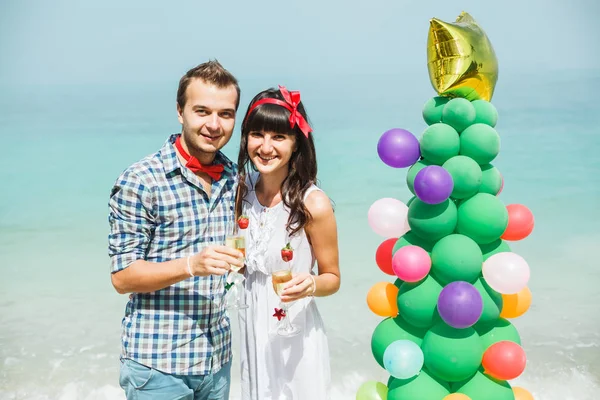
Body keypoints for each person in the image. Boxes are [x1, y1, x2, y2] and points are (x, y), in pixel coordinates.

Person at [107, 60, 244, 400]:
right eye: (202, 111)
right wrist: (191, 266)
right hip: (158, 366)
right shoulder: (141, 180)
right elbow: (122, 278)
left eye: (225, 114)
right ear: (180, 112)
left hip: (217, 361)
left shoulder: (236, 178)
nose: (214, 124)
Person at [235, 85, 341, 399]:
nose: (266, 147)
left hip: (294, 331)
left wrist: (310, 284)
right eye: (258, 134)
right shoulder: (242, 190)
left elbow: (332, 278)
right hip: (252, 325)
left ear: (296, 143)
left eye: (279, 137)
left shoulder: (313, 203)